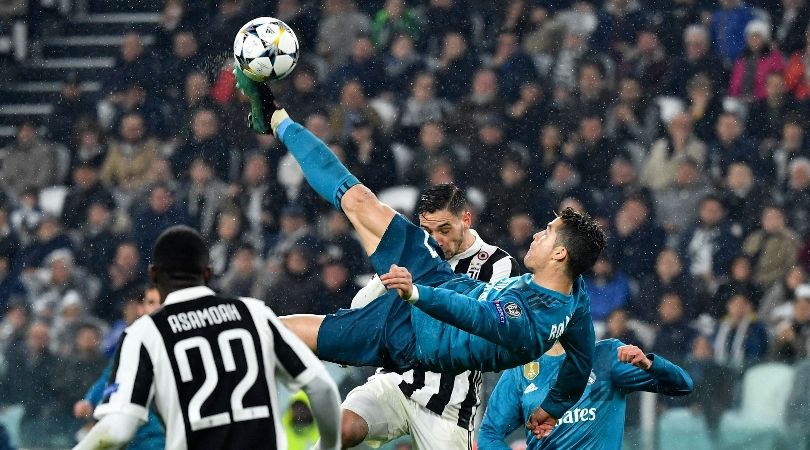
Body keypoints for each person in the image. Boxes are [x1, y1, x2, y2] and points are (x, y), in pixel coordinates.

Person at [235, 67, 606, 437]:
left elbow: (476, 315)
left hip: (416, 344)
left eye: (548, 233)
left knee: (311, 341)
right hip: (430, 277)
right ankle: (277, 118)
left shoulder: (527, 321)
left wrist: (416, 293)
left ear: (560, 255)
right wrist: (553, 407)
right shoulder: (575, 296)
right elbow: (581, 358)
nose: (538, 234)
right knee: (360, 201)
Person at [72, 226, 341, 450]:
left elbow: (118, 430)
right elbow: (322, 389)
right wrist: (328, 447)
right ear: (207, 273)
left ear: (154, 275)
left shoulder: (144, 333)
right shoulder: (253, 313)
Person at [341, 183, 520, 449]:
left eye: (444, 230)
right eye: (427, 231)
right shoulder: (415, 254)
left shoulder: (498, 264)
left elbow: (490, 327)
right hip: (396, 380)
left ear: (466, 219)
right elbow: (360, 307)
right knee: (341, 429)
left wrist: (419, 293)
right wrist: (388, 279)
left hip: (450, 403)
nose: (436, 239)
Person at [478, 340, 694, 449]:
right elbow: (489, 434)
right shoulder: (521, 369)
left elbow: (682, 385)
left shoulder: (605, 355)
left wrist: (649, 364)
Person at [73, 286, 165, 450]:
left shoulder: (172, 343)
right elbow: (111, 379)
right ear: (140, 308)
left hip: (160, 435)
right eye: (151, 302)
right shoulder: (130, 341)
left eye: (160, 303)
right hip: (132, 435)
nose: (156, 308)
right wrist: (91, 400)